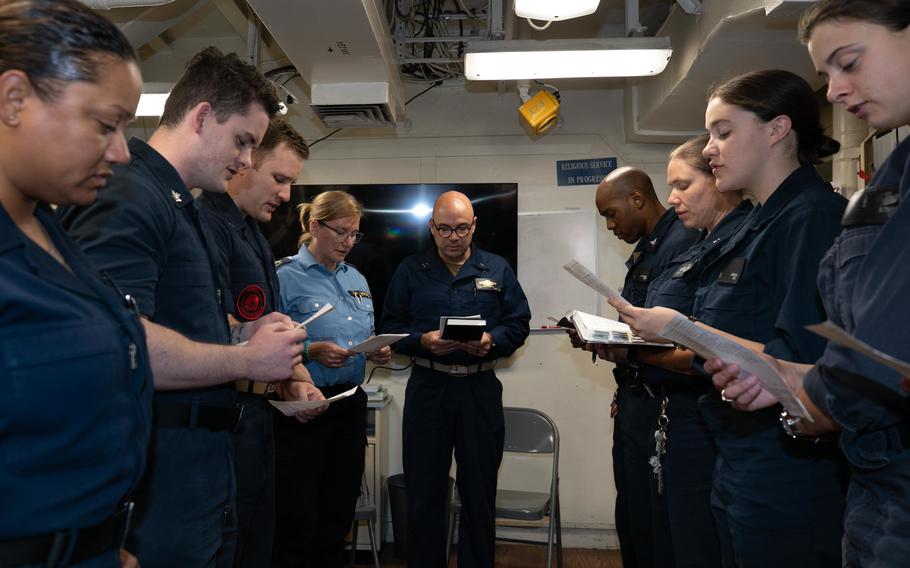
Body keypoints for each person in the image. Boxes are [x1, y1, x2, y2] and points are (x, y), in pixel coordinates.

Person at [58, 47, 307, 567]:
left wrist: (243, 333)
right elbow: (114, 346)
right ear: (200, 117)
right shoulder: (129, 196)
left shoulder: (181, 206)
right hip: (159, 482)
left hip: (202, 473)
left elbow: (180, 328)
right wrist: (245, 361)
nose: (245, 161)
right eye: (243, 142)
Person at [612, 70, 849, 567]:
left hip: (784, 462)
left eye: (724, 132)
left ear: (777, 129)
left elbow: (806, 360)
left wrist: (679, 329)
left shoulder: (810, 216)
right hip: (736, 452)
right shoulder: (759, 224)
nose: (711, 148)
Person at [708, 2, 910, 565]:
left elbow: (876, 350)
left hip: (845, 461)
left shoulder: (813, 214)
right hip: (866, 480)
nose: (839, 90)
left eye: (849, 63)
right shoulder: (893, 176)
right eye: (827, 76)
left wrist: (814, 391)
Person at [0, 2, 147, 566]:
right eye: (106, 125)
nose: (121, 152)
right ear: (15, 100)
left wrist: (98, 543)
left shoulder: (51, 231)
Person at [596, 136, 751, 568]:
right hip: (646, 399)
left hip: (684, 408)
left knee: (679, 534)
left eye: (683, 185)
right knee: (641, 519)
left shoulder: (693, 242)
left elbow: (703, 339)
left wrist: (634, 354)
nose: (673, 198)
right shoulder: (673, 246)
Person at [380, 191, 531, 568]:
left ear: (474, 226)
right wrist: (424, 341)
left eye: (461, 228)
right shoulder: (411, 270)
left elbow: (519, 323)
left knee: (479, 494)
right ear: (432, 228)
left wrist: (492, 341)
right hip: (428, 391)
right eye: (444, 228)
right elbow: (391, 328)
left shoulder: (496, 269)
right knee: (424, 494)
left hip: (479, 391)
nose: (453, 237)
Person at [198, 118, 324, 568]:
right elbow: (209, 325)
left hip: (258, 414)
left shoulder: (252, 231)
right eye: (280, 178)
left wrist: (295, 379)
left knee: (257, 544)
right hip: (224, 417)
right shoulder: (205, 227)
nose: (287, 195)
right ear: (246, 162)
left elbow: (261, 323)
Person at [585, 167, 699, 568]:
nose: (611, 225)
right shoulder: (648, 249)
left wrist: (625, 349)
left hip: (667, 407)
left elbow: (677, 334)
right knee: (633, 518)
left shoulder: (685, 242)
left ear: (636, 199)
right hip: (636, 404)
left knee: (660, 526)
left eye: (612, 214)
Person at [272, 190, 389, 567]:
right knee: (298, 514)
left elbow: (361, 333)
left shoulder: (357, 278)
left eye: (355, 234)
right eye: (340, 232)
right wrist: (312, 351)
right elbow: (265, 344)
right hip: (304, 405)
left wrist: (374, 350)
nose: (348, 242)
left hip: (350, 402)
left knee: (338, 512)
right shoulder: (284, 276)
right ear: (313, 226)